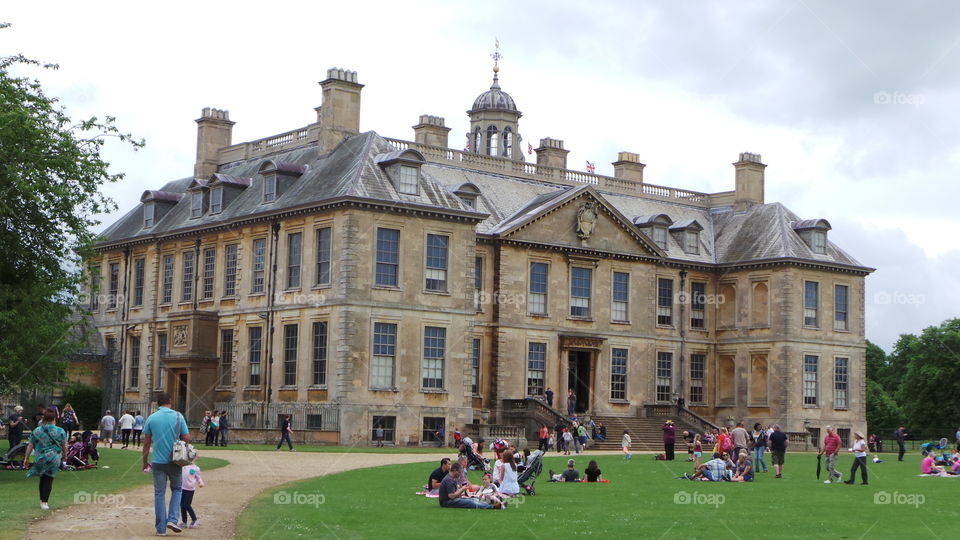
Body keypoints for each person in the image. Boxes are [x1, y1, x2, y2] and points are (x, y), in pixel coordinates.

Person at [142, 392, 190, 535]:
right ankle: (173, 519)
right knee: (177, 489)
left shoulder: (151, 418)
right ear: (170, 401)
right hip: (174, 461)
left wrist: (145, 462)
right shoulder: (178, 416)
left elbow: (146, 443)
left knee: (159, 494)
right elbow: (186, 437)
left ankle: (161, 529)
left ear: (158, 403)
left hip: (157, 461)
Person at [22, 408, 68, 510]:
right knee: (49, 479)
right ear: (54, 418)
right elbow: (65, 445)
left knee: (42, 478)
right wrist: (65, 456)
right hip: (54, 458)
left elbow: (30, 445)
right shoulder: (60, 431)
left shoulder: (37, 430)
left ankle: (41, 500)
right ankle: (45, 502)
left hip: (39, 458)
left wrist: (26, 458)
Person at [179, 458, 204, 529]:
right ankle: (184, 522)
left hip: (190, 489)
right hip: (182, 488)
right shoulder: (183, 467)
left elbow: (198, 477)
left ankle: (194, 519)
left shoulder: (196, 468)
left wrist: (201, 482)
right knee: (182, 505)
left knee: (187, 505)